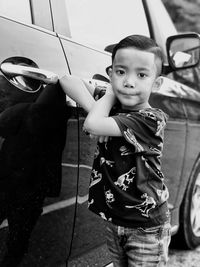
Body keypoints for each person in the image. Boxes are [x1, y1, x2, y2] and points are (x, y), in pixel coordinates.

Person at [60, 34, 171, 267]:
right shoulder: (111, 104)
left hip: (146, 226)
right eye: (121, 72)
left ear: (157, 83)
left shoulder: (150, 119)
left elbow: (92, 125)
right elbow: (67, 79)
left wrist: (100, 116)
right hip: (115, 219)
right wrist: (103, 100)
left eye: (141, 75)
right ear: (110, 74)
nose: (129, 82)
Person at [0, 78, 69, 267]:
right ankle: (12, 258)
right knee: (20, 233)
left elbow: (3, 125)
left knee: (18, 229)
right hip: (33, 182)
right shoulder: (59, 114)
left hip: (13, 177)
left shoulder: (22, 111)